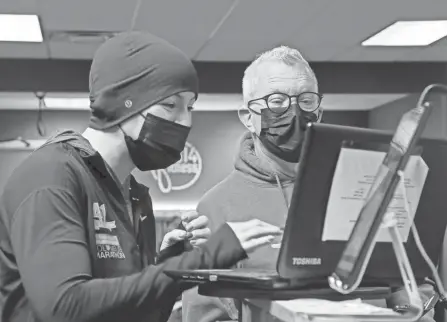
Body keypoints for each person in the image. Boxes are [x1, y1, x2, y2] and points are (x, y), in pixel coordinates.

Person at [0, 32, 282, 322]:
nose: (186, 121)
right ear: (124, 103)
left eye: (190, 107)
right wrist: (207, 257)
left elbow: (143, 314)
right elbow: (64, 308)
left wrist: (172, 264)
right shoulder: (52, 176)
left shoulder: (134, 195)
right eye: (170, 105)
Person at [182, 45, 436, 322]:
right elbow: (203, 314)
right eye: (276, 100)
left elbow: (408, 279)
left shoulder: (364, 186)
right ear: (248, 118)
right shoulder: (216, 207)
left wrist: (408, 306)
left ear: (319, 110)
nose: (293, 111)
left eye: (306, 100)